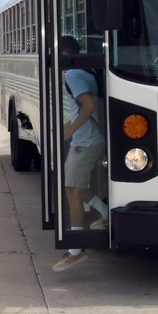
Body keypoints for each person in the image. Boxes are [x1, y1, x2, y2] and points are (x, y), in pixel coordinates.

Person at [52, 36, 109, 273]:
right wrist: (70, 124)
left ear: (64, 54)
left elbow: (89, 106)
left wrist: (70, 131)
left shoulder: (73, 75)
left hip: (85, 142)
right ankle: (106, 214)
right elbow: (84, 107)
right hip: (90, 138)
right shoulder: (87, 72)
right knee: (74, 185)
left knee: (72, 190)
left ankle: (76, 249)